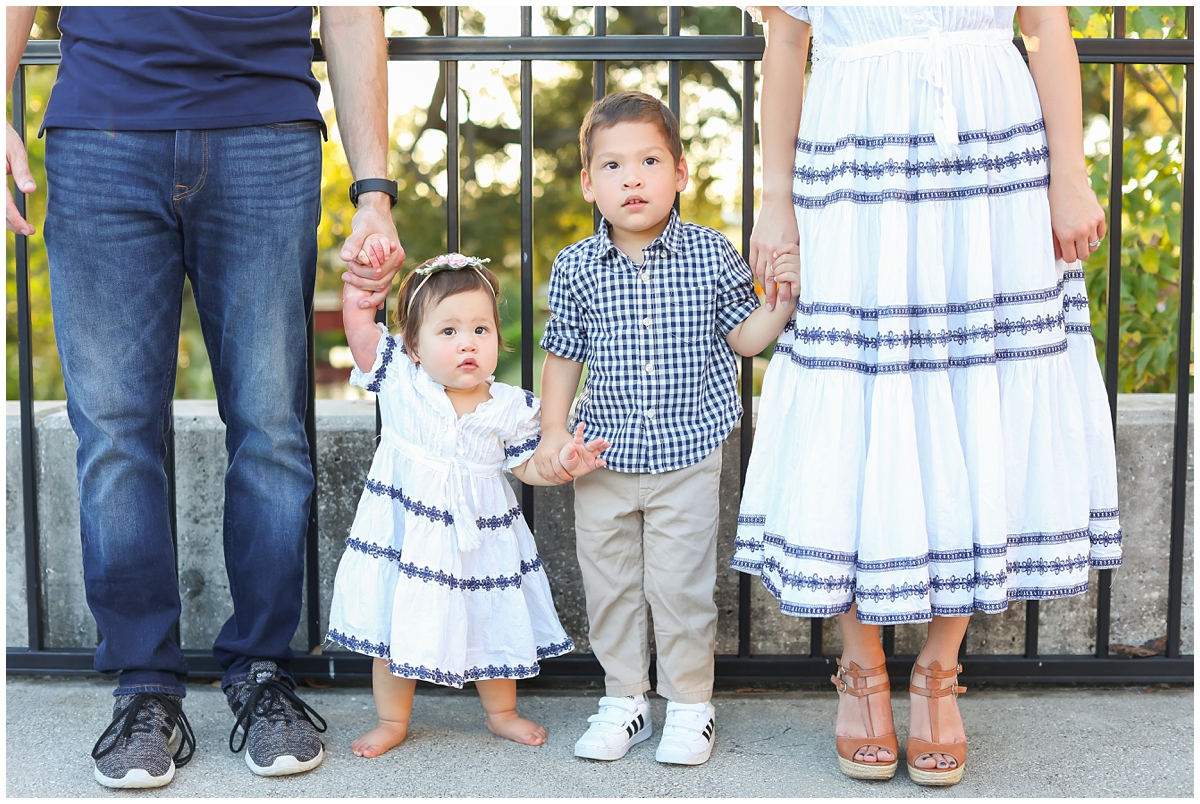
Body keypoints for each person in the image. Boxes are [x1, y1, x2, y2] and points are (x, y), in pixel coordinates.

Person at [5, 6, 404, 789]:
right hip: (102, 134)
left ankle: (262, 672)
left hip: (267, 133)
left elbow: (354, 13)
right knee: (114, 433)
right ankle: (144, 686)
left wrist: (375, 192)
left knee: (270, 429)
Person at [733, 6, 1122, 787]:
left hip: (994, 161)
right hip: (853, 155)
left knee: (980, 388)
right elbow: (785, 42)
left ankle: (941, 667)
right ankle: (861, 661)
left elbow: (1047, 27)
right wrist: (776, 198)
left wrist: (1070, 173)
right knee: (855, 380)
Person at [535, 91, 796, 766]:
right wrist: (553, 433)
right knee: (611, 586)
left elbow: (744, 337)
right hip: (602, 460)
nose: (632, 178)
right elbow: (562, 354)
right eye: (613, 166)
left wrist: (780, 307)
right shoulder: (576, 268)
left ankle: (689, 705)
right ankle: (624, 701)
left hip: (687, 455)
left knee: (679, 589)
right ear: (589, 183)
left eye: (649, 161)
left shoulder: (710, 254)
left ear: (679, 172)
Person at [327, 251, 609, 758]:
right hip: (408, 534)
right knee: (399, 620)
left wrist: (564, 463)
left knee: (490, 617)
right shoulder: (401, 380)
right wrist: (356, 300)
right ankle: (393, 719)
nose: (468, 344)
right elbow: (363, 338)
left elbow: (529, 466)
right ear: (413, 345)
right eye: (449, 331)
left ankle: (501, 713)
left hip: (482, 540)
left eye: (481, 330)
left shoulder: (510, 406)